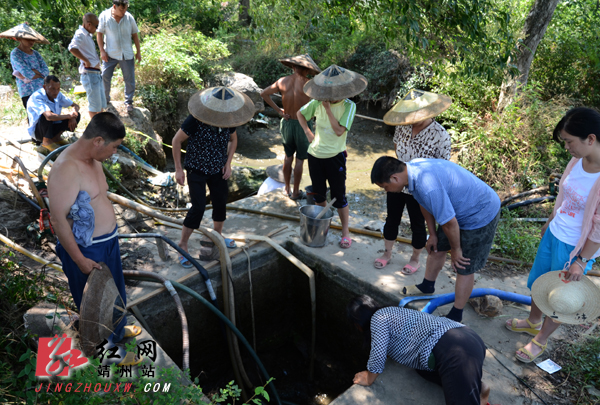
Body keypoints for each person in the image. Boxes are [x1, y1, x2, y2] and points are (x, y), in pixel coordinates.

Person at [505, 107, 600, 363]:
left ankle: (540, 340)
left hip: (575, 248)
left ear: (590, 139)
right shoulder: (577, 161)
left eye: (569, 141)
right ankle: (533, 321)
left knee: (560, 297)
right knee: (540, 282)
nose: (567, 147)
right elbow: (564, 196)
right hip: (556, 233)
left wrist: (581, 260)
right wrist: (550, 220)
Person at [47, 112, 141, 354]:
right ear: (98, 141)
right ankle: (107, 354)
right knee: (95, 305)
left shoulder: (94, 159)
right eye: (115, 147)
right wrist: (79, 260)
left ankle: (117, 334)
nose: (115, 152)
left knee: (115, 294)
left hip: (108, 242)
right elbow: (58, 220)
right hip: (87, 248)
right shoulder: (66, 169)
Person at [371, 157, 501, 322]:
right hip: (457, 209)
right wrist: (432, 234)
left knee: (464, 264)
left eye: (385, 187)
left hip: (480, 212)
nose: (386, 191)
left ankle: (456, 314)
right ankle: (427, 286)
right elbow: (424, 203)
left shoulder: (427, 185)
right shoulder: (412, 173)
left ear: (394, 178)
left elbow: (450, 223)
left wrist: (455, 250)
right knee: (436, 247)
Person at [348, 295, 490, 405]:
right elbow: (389, 343)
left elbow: (378, 354)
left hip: (454, 350)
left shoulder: (377, 318)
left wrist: (369, 377)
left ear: (358, 323)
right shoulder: (390, 311)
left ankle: (469, 390)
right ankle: (477, 387)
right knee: (423, 371)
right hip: (467, 336)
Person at [173, 86, 255, 267]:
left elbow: (233, 140)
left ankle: (217, 236)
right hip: (196, 168)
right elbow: (176, 141)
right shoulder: (196, 119)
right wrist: (178, 169)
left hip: (218, 168)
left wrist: (228, 163)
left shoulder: (229, 120)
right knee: (198, 207)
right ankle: (183, 243)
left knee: (220, 202)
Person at [376, 89, 452, 274]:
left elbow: (443, 167)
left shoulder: (441, 135)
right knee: (391, 218)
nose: (414, 118)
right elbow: (396, 148)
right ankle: (387, 253)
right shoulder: (402, 126)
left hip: (421, 187)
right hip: (398, 182)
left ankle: (415, 259)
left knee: (418, 223)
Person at [297, 64, 367, 248]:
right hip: (314, 154)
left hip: (335, 156)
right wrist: (307, 132)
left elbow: (338, 131)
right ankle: (322, 228)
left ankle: (345, 233)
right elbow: (300, 114)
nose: (332, 94)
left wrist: (328, 109)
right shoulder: (317, 102)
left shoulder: (349, 106)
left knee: (339, 196)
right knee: (319, 195)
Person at [261, 54, 321, 200]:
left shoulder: (282, 81)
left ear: (293, 67)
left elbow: (264, 93)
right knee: (300, 159)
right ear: (307, 70)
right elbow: (320, 103)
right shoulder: (309, 84)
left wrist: (278, 111)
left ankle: (286, 189)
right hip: (303, 124)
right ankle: (295, 192)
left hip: (287, 122)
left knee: (288, 158)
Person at [97, 0, 141, 113]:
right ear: (114, 6)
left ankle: (129, 102)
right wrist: (102, 51)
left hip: (127, 53)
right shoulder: (104, 16)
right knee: (105, 76)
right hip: (110, 53)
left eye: (125, 9)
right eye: (122, 9)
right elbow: (99, 34)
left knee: (129, 78)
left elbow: (135, 35)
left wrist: (138, 52)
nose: (124, 12)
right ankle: (105, 100)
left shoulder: (129, 17)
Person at [26, 75, 81, 153]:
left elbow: (75, 105)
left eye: (58, 88)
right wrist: (69, 116)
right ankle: (46, 141)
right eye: (53, 89)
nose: (56, 91)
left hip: (52, 127)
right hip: (39, 132)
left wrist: (73, 116)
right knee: (46, 115)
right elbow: (49, 116)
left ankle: (56, 138)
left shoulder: (58, 94)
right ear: (45, 87)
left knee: (77, 115)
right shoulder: (37, 96)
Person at [69, 13, 107, 119]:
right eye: (96, 26)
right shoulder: (80, 33)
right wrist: (85, 60)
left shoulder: (87, 35)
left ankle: (100, 126)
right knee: (94, 105)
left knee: (100, 104)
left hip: (95, 73)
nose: (97, 29)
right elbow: (72, 48)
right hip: (89, 73)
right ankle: (95, 129)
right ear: (89, 24)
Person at [3, 23, 49, 109]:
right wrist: (39, 74)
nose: (31, 42)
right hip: (27, 91)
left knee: (47, 115)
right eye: (28, 39)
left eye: (33, 39)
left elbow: (46, 71)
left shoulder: (36, 53)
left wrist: (35, 72)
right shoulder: (15, 53)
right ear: (19, 38)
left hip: (42, 89)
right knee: (34, 117)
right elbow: (27, 73)